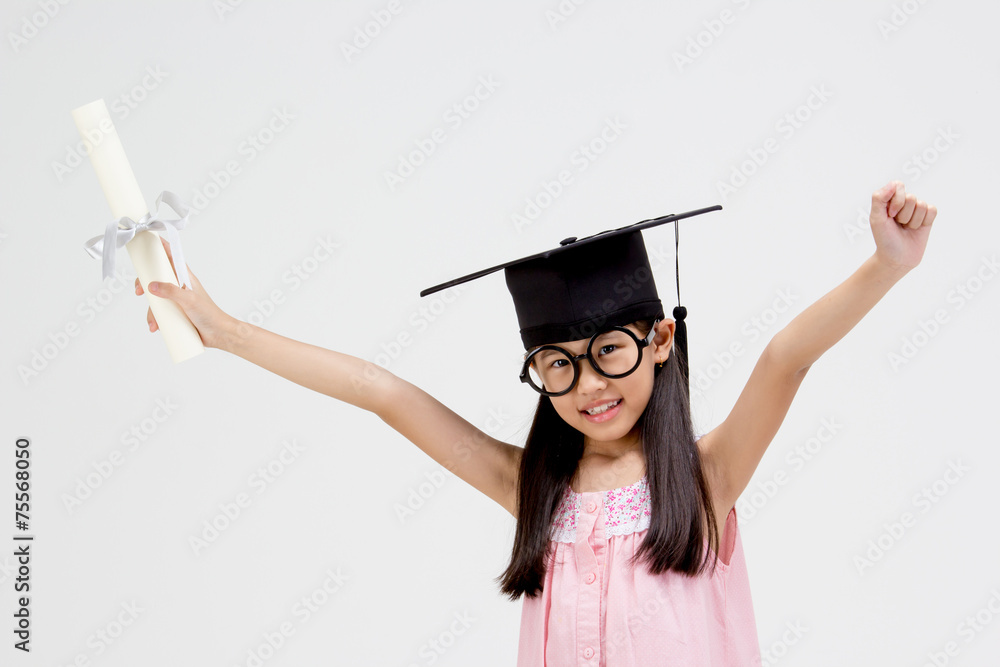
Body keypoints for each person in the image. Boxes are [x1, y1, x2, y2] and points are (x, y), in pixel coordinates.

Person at [135, 181, 936, 666]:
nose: (588, 384)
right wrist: (227, 331)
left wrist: (887, 264)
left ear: (660, 340)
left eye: (609, 352)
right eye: (558, 362)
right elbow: (381, 391)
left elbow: (785, 359)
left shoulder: (706, 478)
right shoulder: (535, 490)